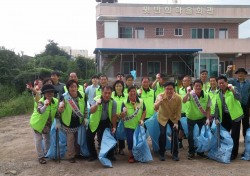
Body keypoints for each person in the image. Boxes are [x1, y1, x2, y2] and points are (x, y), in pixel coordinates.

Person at [57, 79, 87, 163]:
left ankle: (78, 153)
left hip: (79, 121)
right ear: (68, 88)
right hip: (68, 122)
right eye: (71, 87)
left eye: (75, 86)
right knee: (70, 140)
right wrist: (60, 109)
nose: (73, 89)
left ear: (77, 87)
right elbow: (59, 110)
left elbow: (85, 107)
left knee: (78, 139)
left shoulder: (83, 95)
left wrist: (85, 117)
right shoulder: (64, 96)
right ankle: (71, 155)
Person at [216, 75, 244, 160]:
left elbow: (239, 98)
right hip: (225, 116)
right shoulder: (218, 93)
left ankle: (234, 154)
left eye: (223, 83)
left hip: (235, 116)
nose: (221, 85)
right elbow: (216, 106)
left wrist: (233, 91)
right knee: (225, 135)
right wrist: (216, 118)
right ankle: (226, 151)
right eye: (219, 83)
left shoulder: (233, 88)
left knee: (234, 136)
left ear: (226, 82)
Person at [87, 86, 117, 162]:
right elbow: (91, 111)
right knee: (89, 138)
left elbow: (113, 115)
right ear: (101, 92)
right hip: (95, 121)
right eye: (105, 93)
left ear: (111, 93)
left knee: (107, 138)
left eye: (109, 93)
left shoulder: (113, 102)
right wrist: (97, 104)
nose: (107, 95)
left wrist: (114, 126)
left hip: (106, 121)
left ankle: (110, 155)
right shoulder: (95, 99)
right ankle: (93, 155)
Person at [29, 84, 58, 164]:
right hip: (37, 124)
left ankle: (47, 153)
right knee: (38, 140)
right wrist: (45, 105)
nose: (49, 93)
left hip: (47, 124)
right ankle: (40, 157)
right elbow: (40, 111)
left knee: (47, 139)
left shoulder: (55, 101)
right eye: (47, 92)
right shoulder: (41, 101)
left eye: (51, 92)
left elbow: (57, 113)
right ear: (44, 93)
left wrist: (58, 123)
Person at [183, 79, 211, 160]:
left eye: (199, 86)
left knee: (201, 135)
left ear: (202, 86)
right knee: (190, 136)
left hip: (201, 118)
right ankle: (191, 152)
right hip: (191, 118)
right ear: (193, 87)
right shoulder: (191, 94)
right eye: (196, 86)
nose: (198, 87)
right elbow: (184, 101)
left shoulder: (206, 95)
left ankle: (200, 152)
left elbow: (208, 108)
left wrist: (207, 118)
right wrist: (188, 93)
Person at [154, 82, 182, 161]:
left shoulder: (178, 98)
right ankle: (161, 153)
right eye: (167, 89)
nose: (169, 91)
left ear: (174, 89)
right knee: (162, 133)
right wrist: (159, 102)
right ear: (164, 89)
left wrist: (176, 122)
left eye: (171, 89)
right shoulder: (160, 96)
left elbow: (179, 111)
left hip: (173, 117)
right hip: (162, 117)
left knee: (175, 133)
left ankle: (175, 153)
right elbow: (155, 107)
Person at [120, 86, 146, 163]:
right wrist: (123, 113)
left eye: (134, 91)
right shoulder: (124, 102)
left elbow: (144, 111)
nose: (132, 93)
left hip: (138, 125)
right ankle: (131, 155)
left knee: (139, 141)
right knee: (130, 141)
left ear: (136, 92)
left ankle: (138, 154)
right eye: (131, 91)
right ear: (128, 93)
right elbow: (122, 116)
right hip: (129, 125)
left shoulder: (141, 101)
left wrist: (142, 119)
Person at [227, 68, 250, 144]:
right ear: (237, 74)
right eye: (239, 73)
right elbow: (224, 80)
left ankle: (246, 143)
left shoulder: (248, 83)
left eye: (242, 73)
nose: (241, 74)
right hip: (235, 107)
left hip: (245, 106)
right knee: (236, 127)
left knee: (246, 126)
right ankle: (234, 144)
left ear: (245, 75)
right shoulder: (233, 81)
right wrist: (227, 72)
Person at [112, 80, 127, 155]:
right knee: (113, 133)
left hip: (122, 118)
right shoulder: (111, 95)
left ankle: (121, 148)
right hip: (113, 117)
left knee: (121, 132)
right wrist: (115, 114)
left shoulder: (126, 95)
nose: (118, 87)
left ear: (123, 87)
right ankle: (114, 147)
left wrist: (123, 114)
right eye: (117, 86)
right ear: (114, 87)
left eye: (120, 86)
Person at [178, 75, 192, 148]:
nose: (183, 82)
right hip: (182, 111)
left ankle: (191, 143)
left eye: (185, 81)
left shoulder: (193, 89)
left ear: (189, 81)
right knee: (181, 128)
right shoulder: (180, 90)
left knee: (190, 129)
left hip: (191, 112)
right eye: (183, 81)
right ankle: (180, 141)